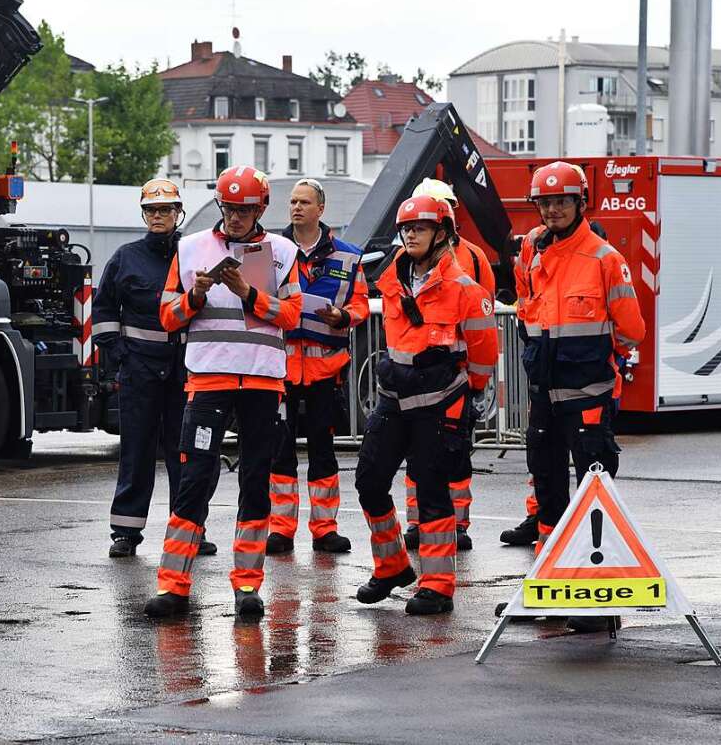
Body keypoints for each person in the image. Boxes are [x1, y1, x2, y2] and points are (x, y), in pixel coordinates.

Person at [143, 165, 302, 620]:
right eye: (229, 208)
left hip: (261, 383)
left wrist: (248, 294)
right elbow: (167, 317)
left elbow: (292, 315)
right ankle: (173, 586)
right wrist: (194, 296)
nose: (235, 217)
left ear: (261, 209)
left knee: (255, 482)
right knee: (194, 482)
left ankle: (248, 585)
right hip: (208, 382)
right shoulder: (190, 247)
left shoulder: (282, 252)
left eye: (245, 209)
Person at [508, 160, 644, 631]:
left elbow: (632, 329)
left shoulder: (606, 258)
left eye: (561, 201)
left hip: (588, 395)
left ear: (579, 203)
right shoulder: (530, 252)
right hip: (545, 394)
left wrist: (602, 364)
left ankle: (597, 599)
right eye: (544, 202)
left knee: (593, 497)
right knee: (547, 489)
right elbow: (527, 311)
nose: (552, 209)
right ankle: (549, 587)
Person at [352, 194, 498, 615]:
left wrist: (466, 397)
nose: (411, 234)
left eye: (421, 227)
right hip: (394, 400)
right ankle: (392, 566)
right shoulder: (393, 281)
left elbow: (485, 354)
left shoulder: (466, 291)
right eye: (407, 228)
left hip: (440, 403)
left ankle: (437, 585)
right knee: (369, 482)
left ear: (443, 234)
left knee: (433, 494)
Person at [94, 178, 216, 558]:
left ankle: (191, 529)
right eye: (152, 210)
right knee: (137, 451)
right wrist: (120, 355)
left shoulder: (194, 254)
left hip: (184, 369)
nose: (158, 216)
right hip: (140, 371)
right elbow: (102, 312)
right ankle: (125, 533)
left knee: (187, 455)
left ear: (178, 213)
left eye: (165, 210)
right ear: (143, 214)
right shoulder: (125, 258)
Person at [266, 178, 369, 555]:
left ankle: (325, 529)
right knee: (280, 452)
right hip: (280, 371)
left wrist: (343, 315)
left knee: (323, 452)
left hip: (326, 372)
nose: (296, 207)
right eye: (292, 201)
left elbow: (361, 304)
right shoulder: (271, 251)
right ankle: (281, 529)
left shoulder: (347, 256)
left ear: (320, 209)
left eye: (304, 202)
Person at [400, 178, 495, 554]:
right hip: (417, 378)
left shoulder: (471, 258)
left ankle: (456, 522)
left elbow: (482, 321)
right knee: (416, 456)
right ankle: (416, 521)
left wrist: (474, 382)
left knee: (455, 455)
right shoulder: (403, 262)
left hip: (454, 379)